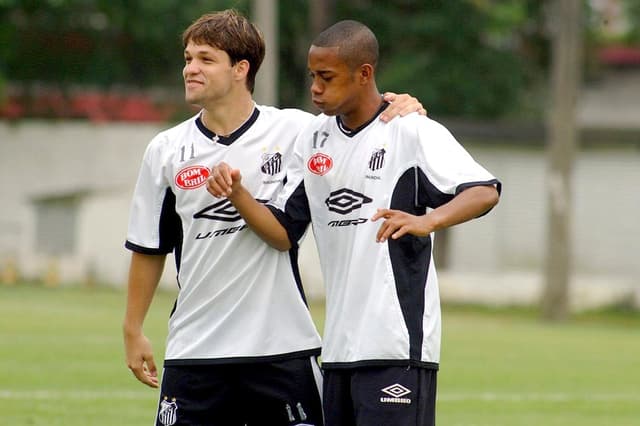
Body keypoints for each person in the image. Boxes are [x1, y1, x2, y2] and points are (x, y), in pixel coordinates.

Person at [122, 10, 426, 426]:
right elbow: (148, 245)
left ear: (240, 69)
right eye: (188, 58)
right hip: (196, 348)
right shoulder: (166, 150)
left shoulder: (298, 130)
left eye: (206, 59)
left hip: (282, 348)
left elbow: (362, 113)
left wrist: (401, 103)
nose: (190, 68)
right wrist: (133, 328)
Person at [207, 20, 501, 426]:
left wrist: (428, 219)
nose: (315, 88)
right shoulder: (314, 139)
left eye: (326, 77)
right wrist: (239, 195)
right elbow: (283, 233)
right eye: (313, 76)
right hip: (340, 350)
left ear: (364, 74)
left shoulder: (410, 131)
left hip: (395, 348)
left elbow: (484, 190)